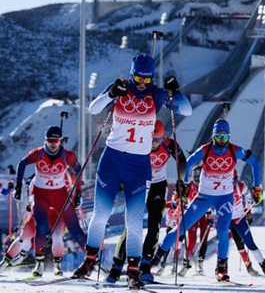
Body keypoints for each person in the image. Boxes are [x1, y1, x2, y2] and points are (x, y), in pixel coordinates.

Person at [72, 54, 192, 289]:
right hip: (112, 159)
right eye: (138, 77)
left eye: (146, 80)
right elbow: (92, 108)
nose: (141, 84)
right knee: (100, 214)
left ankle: (134, 270)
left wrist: (175, 92)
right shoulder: (121, 87)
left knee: (135, 220)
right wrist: (110, 94)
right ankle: (89, 261)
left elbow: (186, 110)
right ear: (131, 73)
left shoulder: (156, 94)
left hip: (139, 164)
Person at [151, 119, 262, 282]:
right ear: (214, 136)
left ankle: (221, 269)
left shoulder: (235, 150)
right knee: (180, 228)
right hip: (204, 197)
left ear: (229, 136)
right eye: (219, 136)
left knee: (223, 230)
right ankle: (153, 261)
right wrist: (185, 184)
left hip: (224, 198)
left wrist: (256, 187)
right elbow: (188, 163)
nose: (222, 140)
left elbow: (255, 163)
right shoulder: (205, 150)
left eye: (225, 136)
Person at [105, 119, 187, 283]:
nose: (154, 144)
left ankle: (145, 265)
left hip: (158, 185)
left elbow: (183, 162)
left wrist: (181, 181)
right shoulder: (136, 144)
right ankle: (116, 267)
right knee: (131, 225)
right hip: (139, 185)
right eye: (151, 139)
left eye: (157, 140)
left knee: (154, 224)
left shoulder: (170, 144)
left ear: (162, 137)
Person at [12, 126, 86, 277]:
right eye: (50, 140)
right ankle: (39, 265)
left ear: (60, 140)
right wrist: (18, 187)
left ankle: (91, 261)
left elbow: (78, 170)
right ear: (45, 140)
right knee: (40, 228)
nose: (53, 143)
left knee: (71, 231)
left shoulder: (67, 156)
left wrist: (78, 194)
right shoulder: (38, 153)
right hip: (41, 196)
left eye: (56, 140)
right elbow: (22, 164)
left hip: (59, 198)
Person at [229, 171, 265, 278]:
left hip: (239, 218)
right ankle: (222, 268)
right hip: (225, 219)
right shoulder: (219, 187)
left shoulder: (241, 186)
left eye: (232, 180)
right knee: (226, 243)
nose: (231, 184)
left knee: (250, 244)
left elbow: (249, 200)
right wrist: (210, 214)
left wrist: (248, 212)